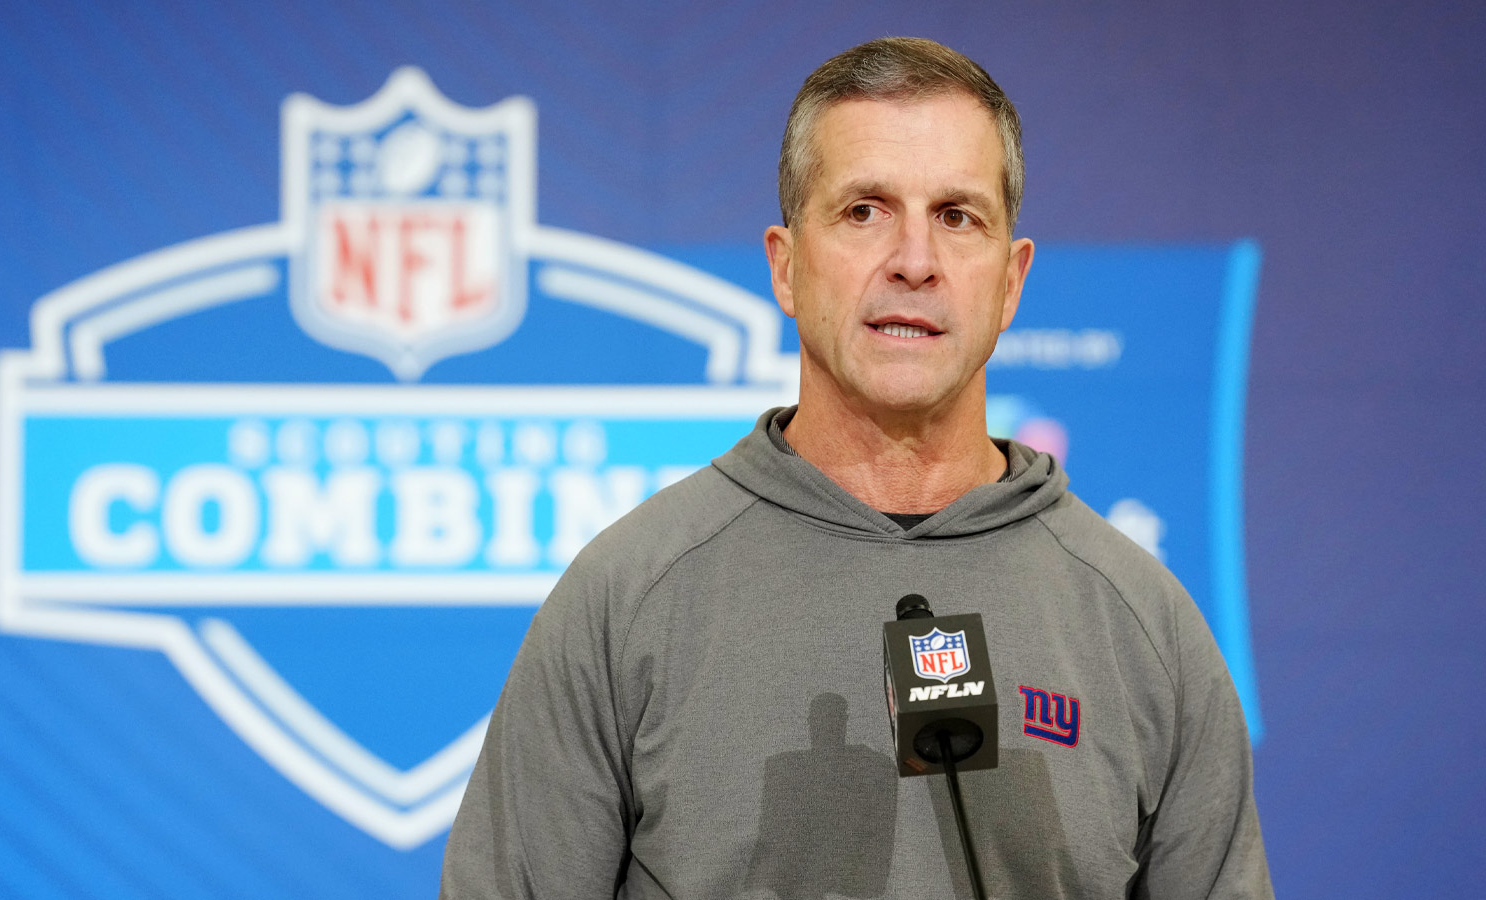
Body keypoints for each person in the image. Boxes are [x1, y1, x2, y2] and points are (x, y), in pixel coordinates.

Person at [440, 37, 1272, 899]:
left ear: (1011, 281)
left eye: (957, 216)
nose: (914, 261)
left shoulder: (1146, 625)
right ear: (786, 266)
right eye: (865, 211)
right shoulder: (626, 599)